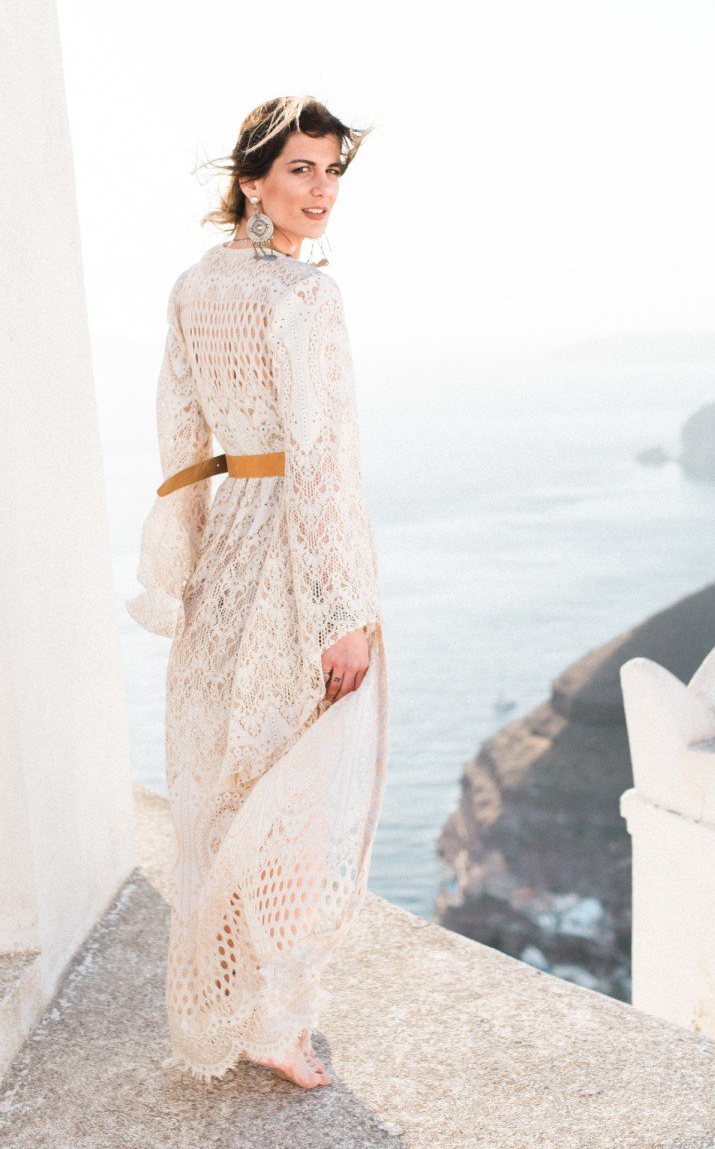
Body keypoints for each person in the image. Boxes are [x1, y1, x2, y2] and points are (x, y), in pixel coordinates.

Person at [126, 95, 390, 1090]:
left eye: (332, 171)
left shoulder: (193, 287)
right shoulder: (307, 298)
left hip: (223, 554)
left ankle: (228, 1001)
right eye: (299, 170)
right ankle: (275, 1023)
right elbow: (320, 464)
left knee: (221, 793)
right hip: (285, 562)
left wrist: (181, 566)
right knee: (292, 799)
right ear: (253, 182)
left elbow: (180, 441)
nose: (321, 190)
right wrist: (343, 613)